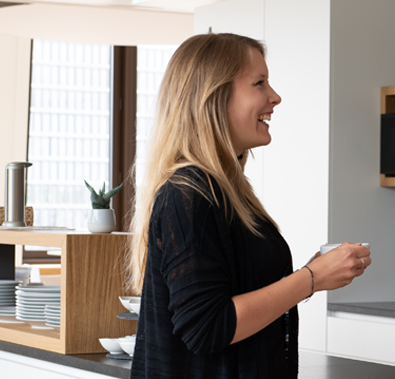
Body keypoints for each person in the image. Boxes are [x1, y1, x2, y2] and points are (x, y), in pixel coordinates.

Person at [126, 33, 372, 378]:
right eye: (259, 83)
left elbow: (238, 294)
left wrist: (313, 273)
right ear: (214, 97)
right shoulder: (188, 195)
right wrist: (311, 279)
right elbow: (207, 327)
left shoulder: (224, 192)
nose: (275, 97)